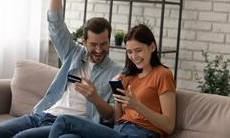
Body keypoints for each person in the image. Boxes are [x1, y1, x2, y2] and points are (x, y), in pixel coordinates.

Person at [0, 0, 122, 138]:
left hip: (72, 125)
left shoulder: (117, 72)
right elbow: (55, 24)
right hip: (43, 114)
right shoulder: (73, 52)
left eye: (104, 44)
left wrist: (95, 98)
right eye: (94, 45)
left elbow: (111, 116)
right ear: (84, 42)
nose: (99, 50)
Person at [48, 24, 176, 138]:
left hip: (142, 133)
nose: (134, 57)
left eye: (139, 50)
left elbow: (169, 126)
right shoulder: (129, 77)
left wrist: (136, 105)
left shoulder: (163, 74)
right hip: (119, 131)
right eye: (129, 52)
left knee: (64, 121)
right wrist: (118, 93)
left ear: (152, 47)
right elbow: (117, 121)